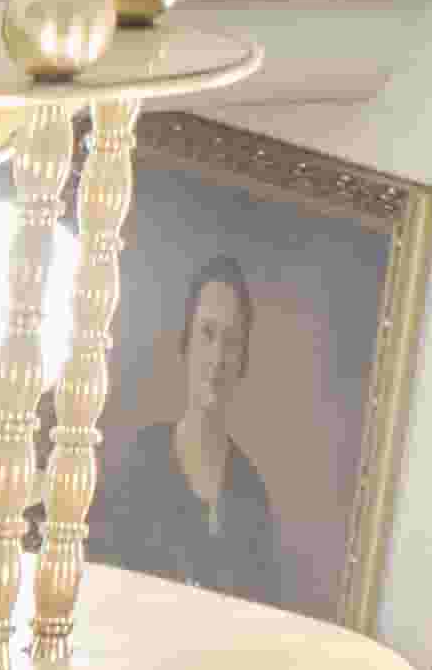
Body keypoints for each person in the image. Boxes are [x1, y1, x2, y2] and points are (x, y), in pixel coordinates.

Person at [87, 260, 300, 613]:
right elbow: (104, 590)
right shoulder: (140, 463)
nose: (218, 357)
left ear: (243, 361)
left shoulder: (251, 493)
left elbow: (262, 619)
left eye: (231, 341)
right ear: (186, 345)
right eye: (207, 333)